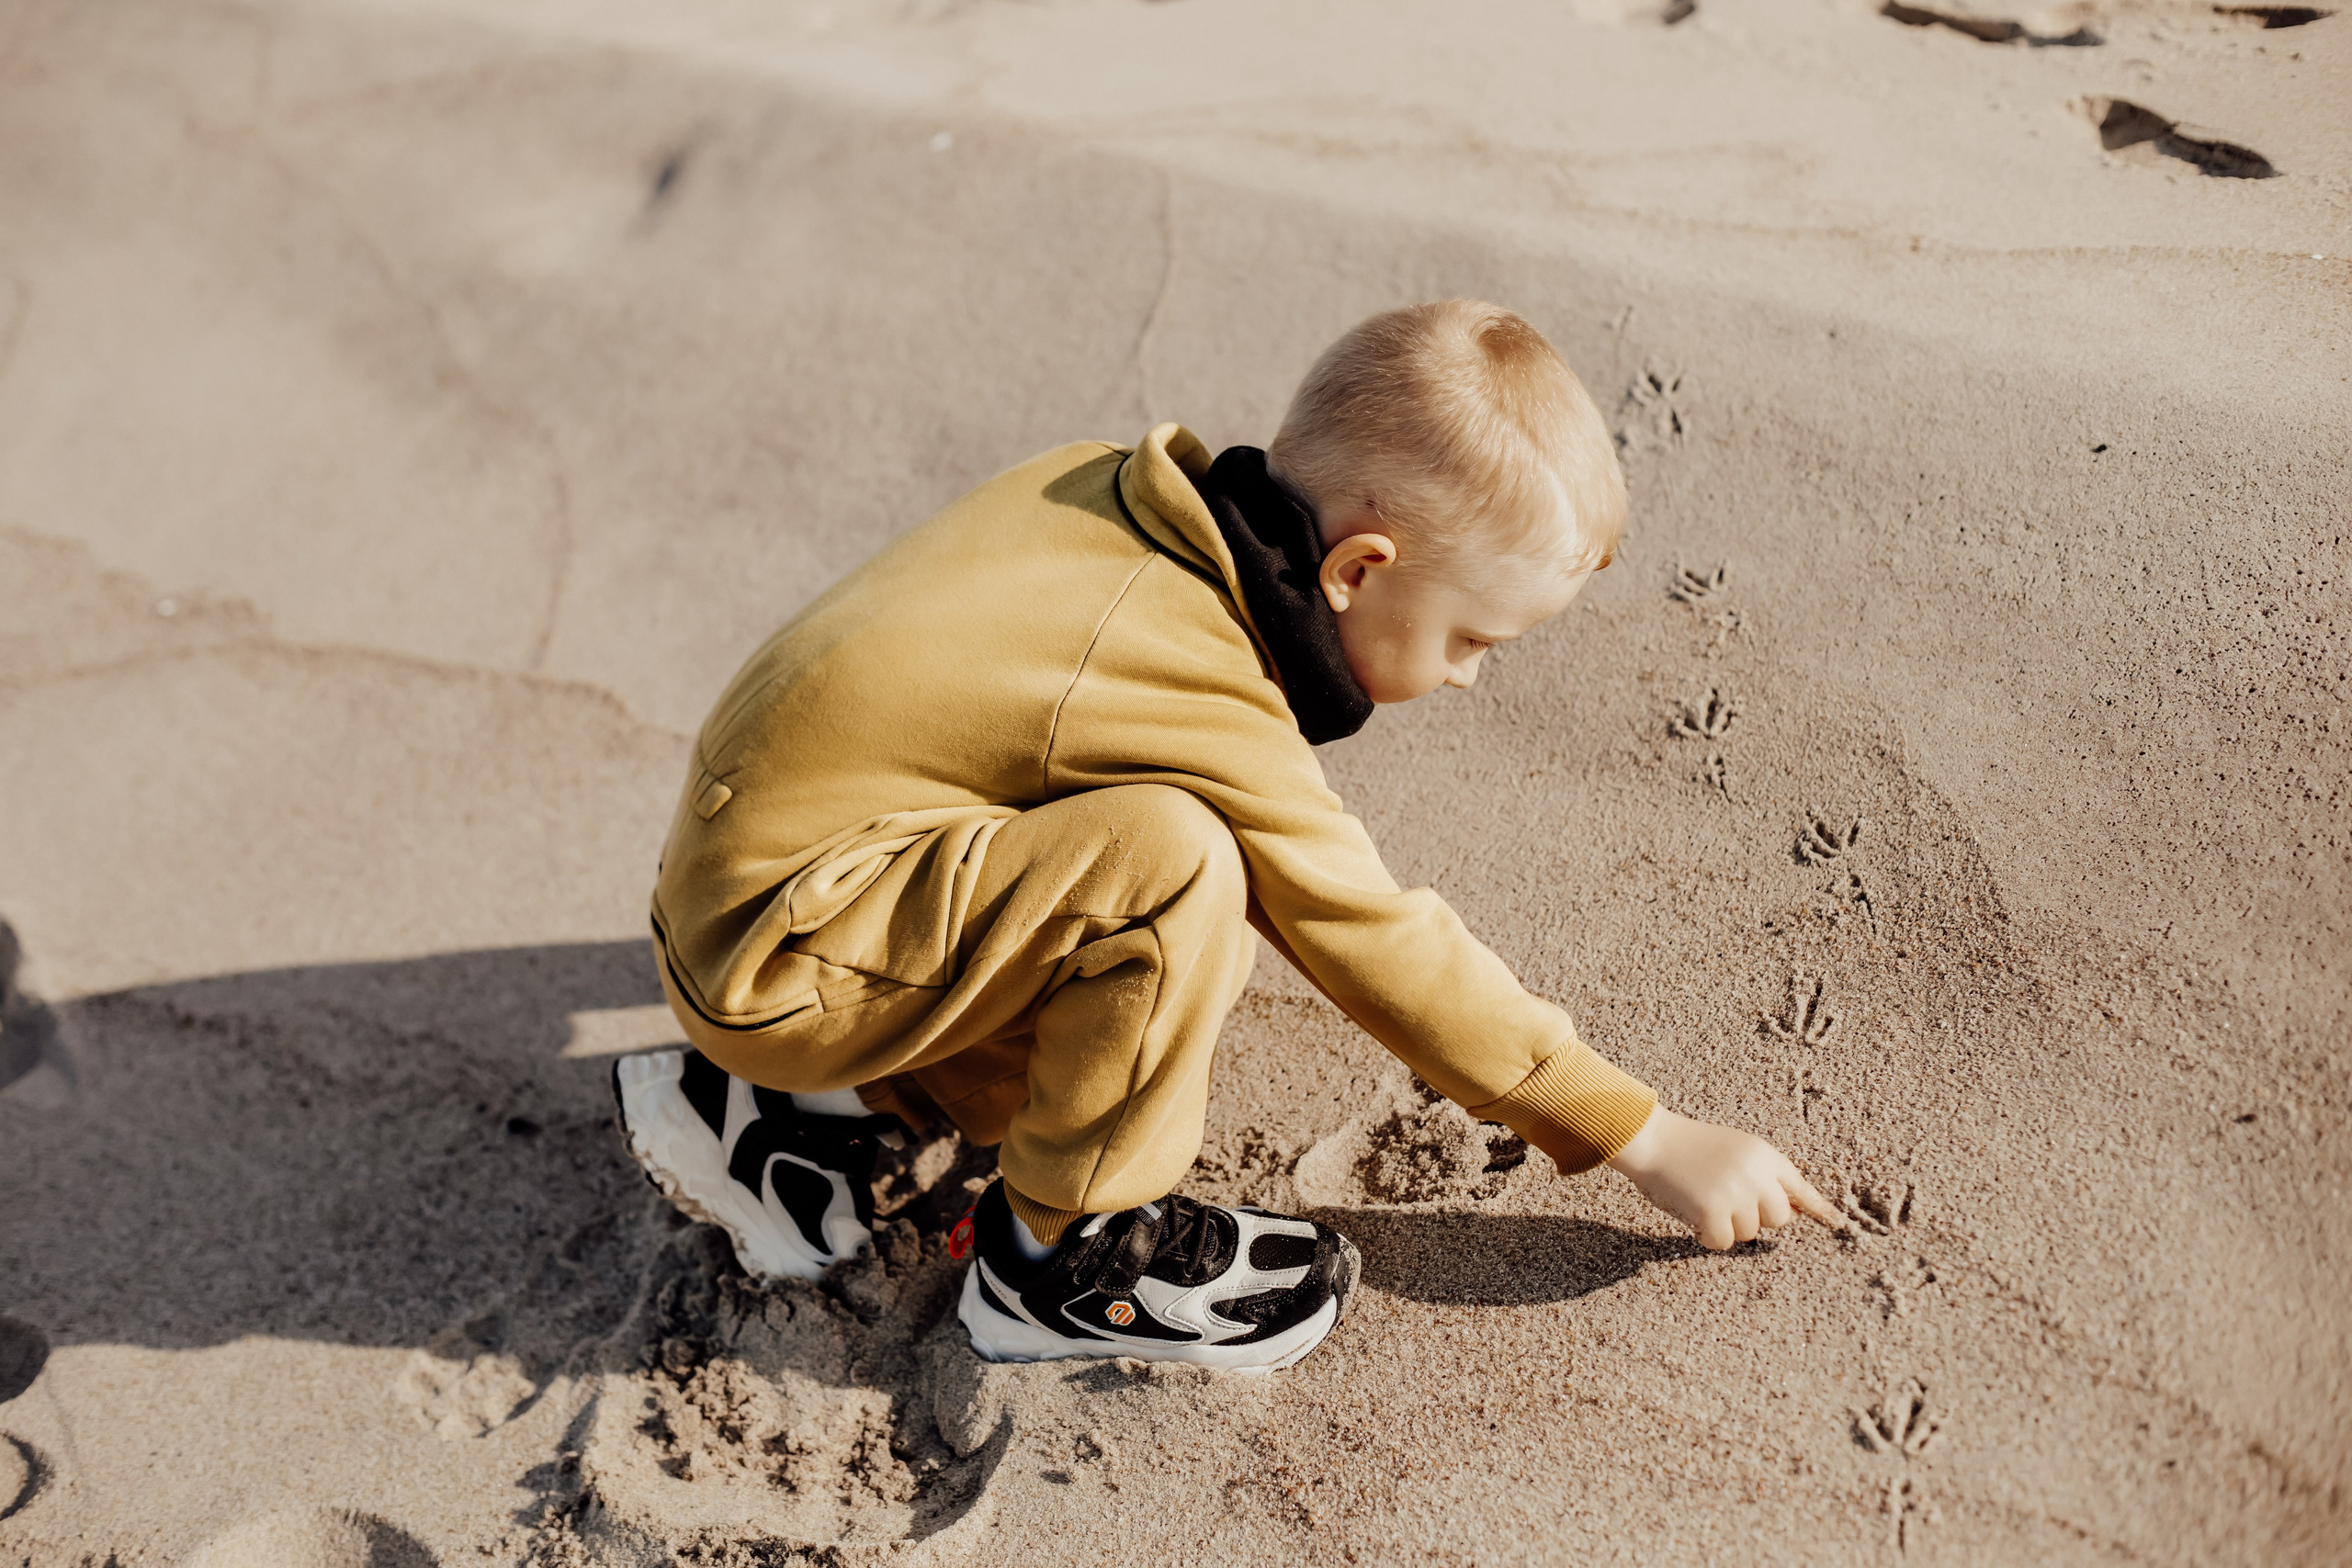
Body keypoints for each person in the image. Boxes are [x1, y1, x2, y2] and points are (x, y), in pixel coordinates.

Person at [614, 300, 1837, 1371]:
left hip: (756, 880)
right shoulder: (1196, 681)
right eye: (1473, 642)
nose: (1468, 680)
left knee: (1097, 854)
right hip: (780, 959)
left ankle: (820, 1119)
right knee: (1176, 869)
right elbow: (1374, 938)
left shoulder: (1105, 488)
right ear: (1359, 568)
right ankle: (1059, 1261)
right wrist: (1641, 1131)